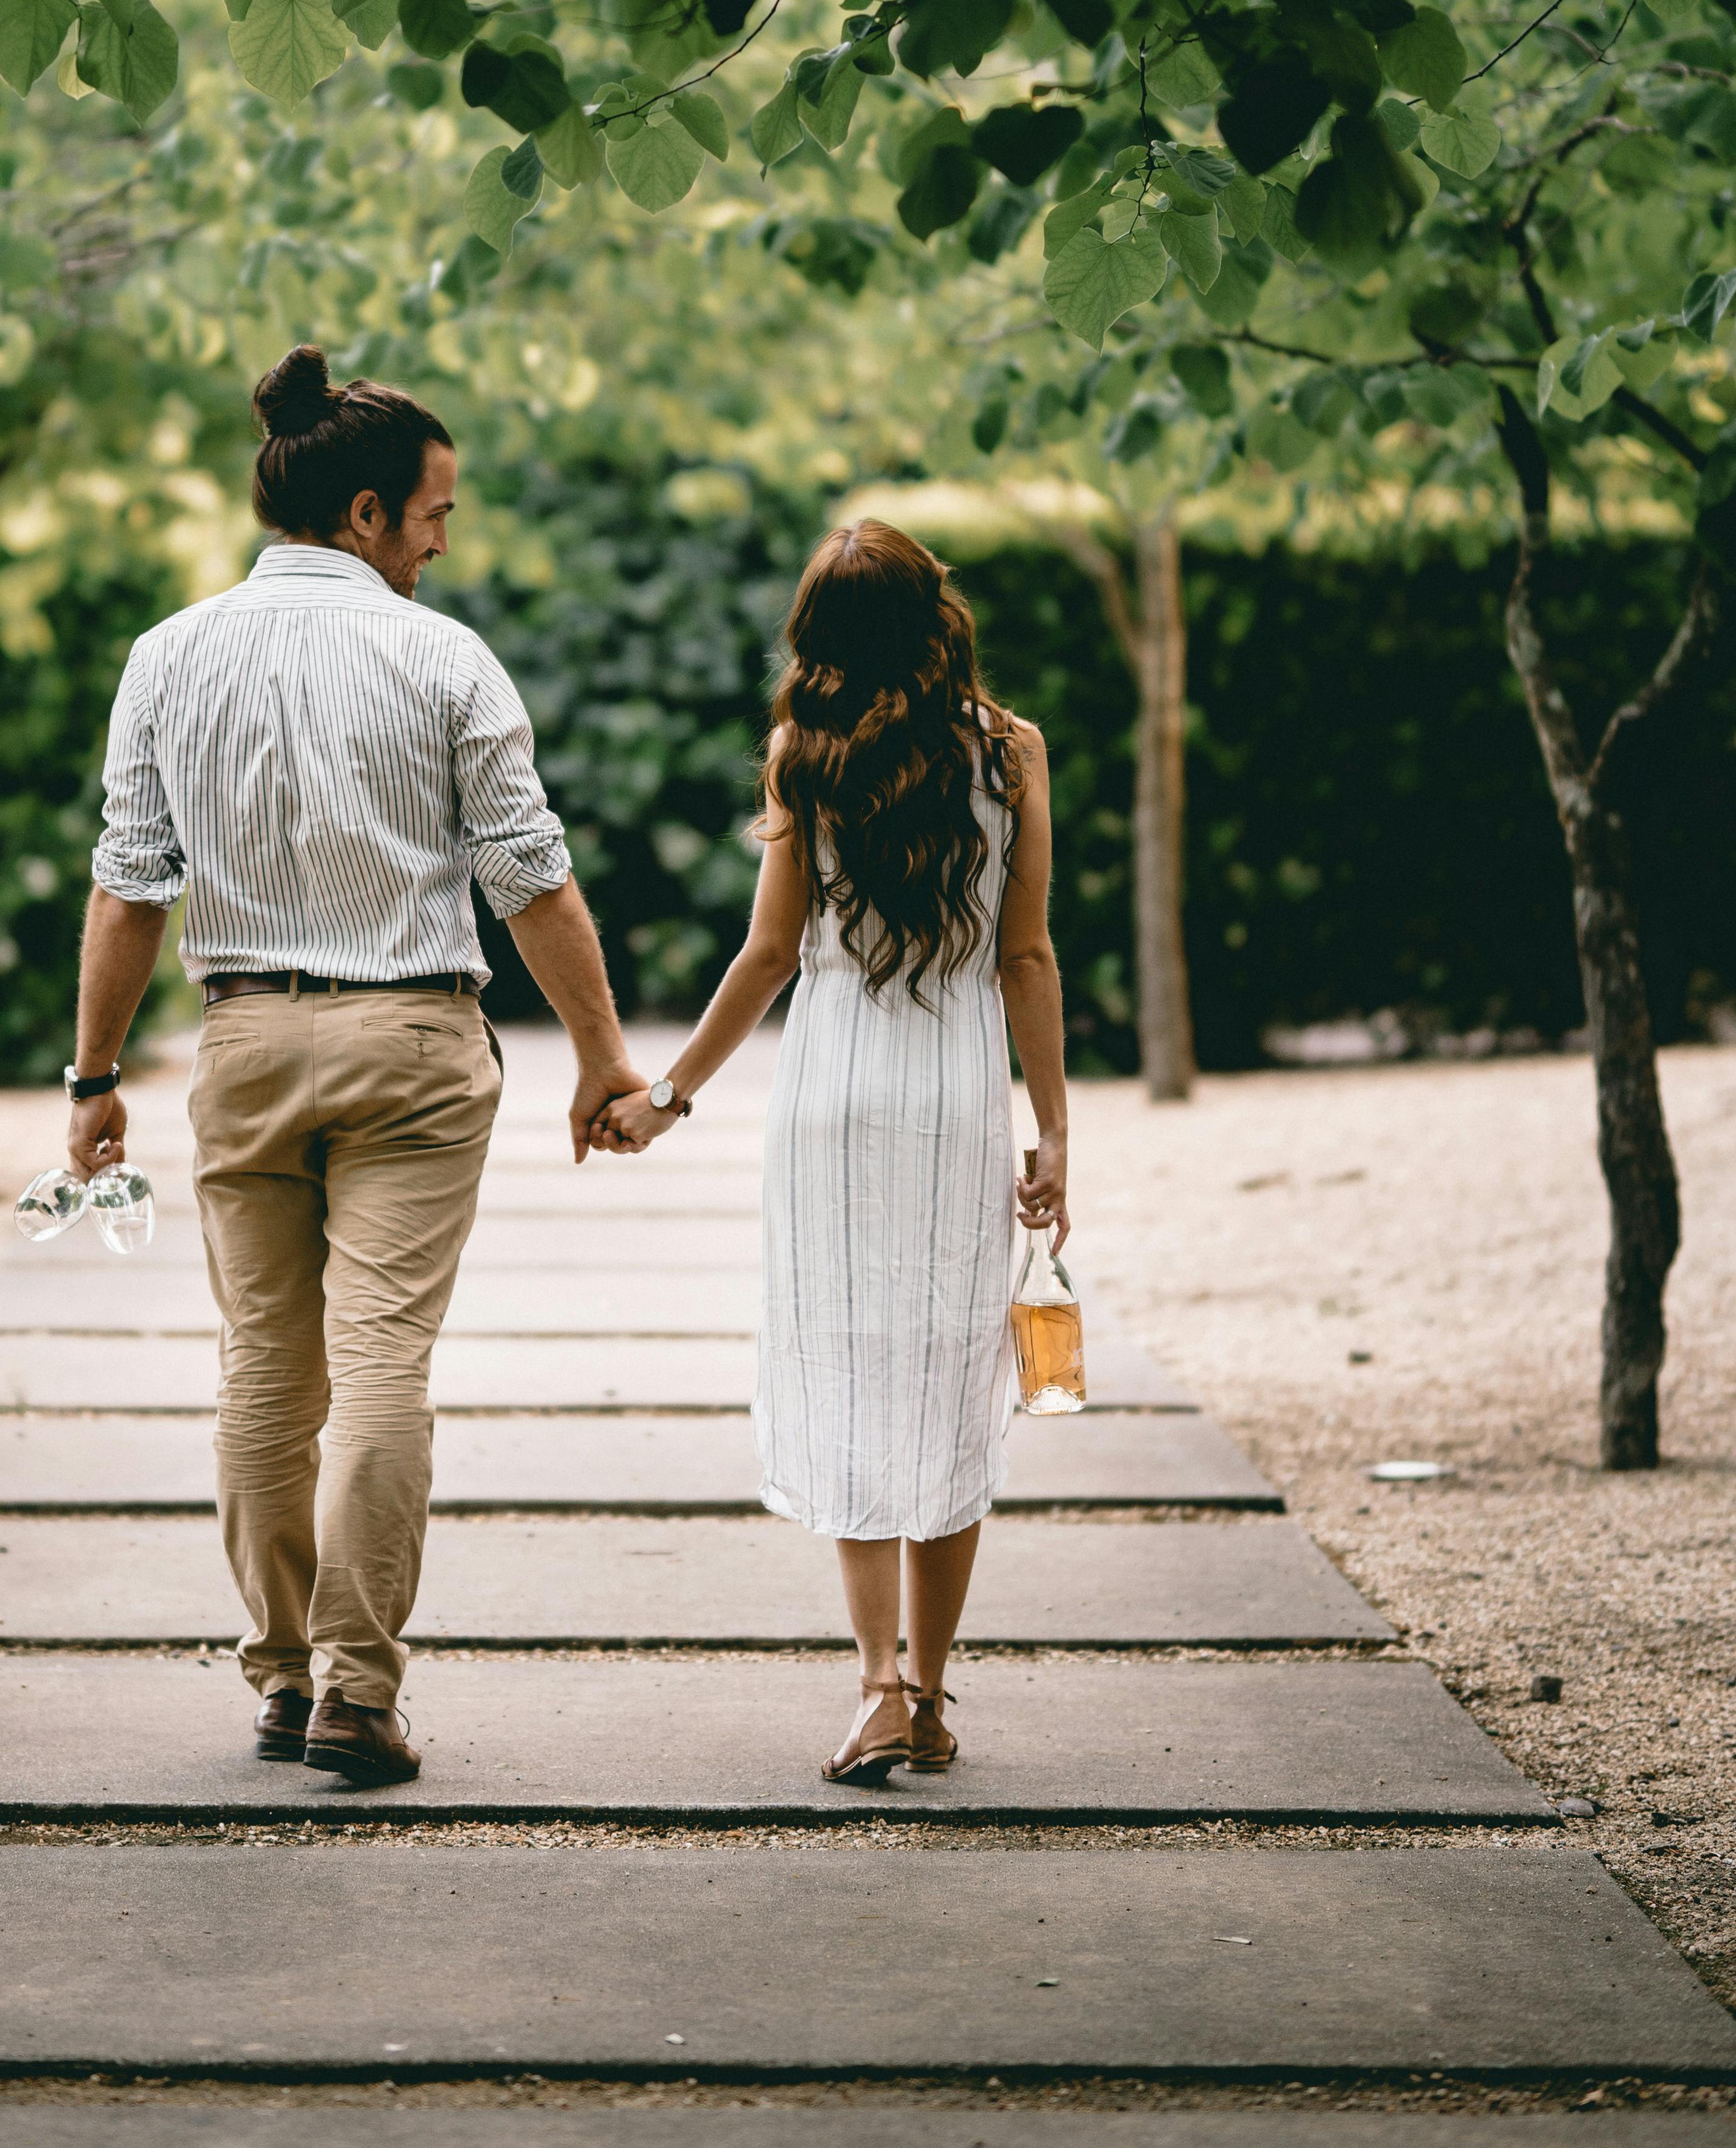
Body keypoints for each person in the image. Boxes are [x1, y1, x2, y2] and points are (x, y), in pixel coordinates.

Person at [61, 345, 644, 1790]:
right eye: (435, 512)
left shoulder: (165, 655)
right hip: (412, 1042)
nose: (445, 538)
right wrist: (600, 1061)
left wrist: (90, 1079)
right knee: (382, 1360)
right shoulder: (442, 657)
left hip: (246, 1039)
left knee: (265, 1371)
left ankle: (278, 1679)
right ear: (368, 514)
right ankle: (356, 1693)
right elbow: (529, 879)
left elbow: (130, 888)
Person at [601, 520, 1068, 1786]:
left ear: (817, 634)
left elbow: (765, 958)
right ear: (937, 618)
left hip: (828, 1098)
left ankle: (871, 1686)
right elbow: (1023, 957)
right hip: (951, 1097)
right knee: (950, 1376)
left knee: (851, 1377)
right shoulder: (1010, 754)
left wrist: (666, 1097)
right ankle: (922, 1692)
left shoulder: (798, 756)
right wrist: (1053, 1135)